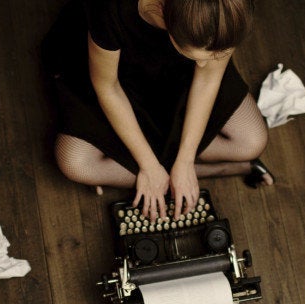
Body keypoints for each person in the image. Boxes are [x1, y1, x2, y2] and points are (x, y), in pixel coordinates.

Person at [41, 0, 274, 222]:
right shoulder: (111, 9)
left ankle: (128, 171)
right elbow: (107, 87)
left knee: (252, 140)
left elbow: (207, 78)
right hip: (118, 77)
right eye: (199, 57)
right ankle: (227, 169)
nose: (204, 65)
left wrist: (185, 159)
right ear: (166, 16)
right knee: (75, 162)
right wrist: (149, 166)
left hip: (179, 76)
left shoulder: (228, 12)